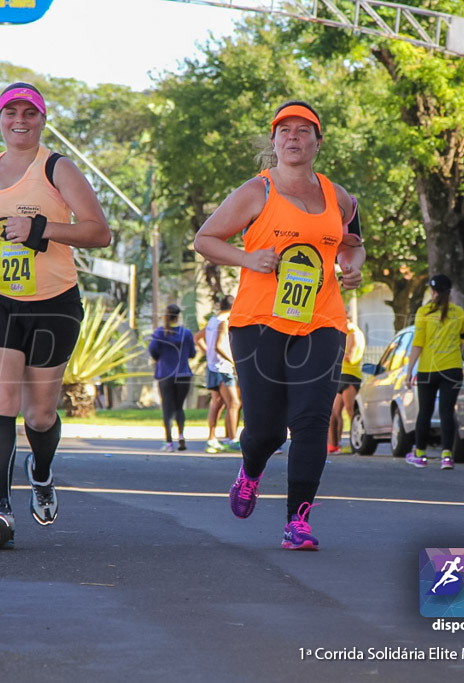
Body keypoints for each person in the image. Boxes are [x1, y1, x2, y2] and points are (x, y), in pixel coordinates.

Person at [0, 82, 111, 549]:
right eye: (10, 112)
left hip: (53, 300)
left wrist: (41, 229)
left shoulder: (57, 168)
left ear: (41, 119)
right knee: (1, 402)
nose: (19, 120)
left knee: (39, 414)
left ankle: (42, 472)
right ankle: (0, 509)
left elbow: (98, 232)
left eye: (29, 113)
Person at [193, 100, 365, 551]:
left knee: (310, 420)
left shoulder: (337, 195)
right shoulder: (257, 191)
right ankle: (251, 471)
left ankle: (298, 522)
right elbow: (205, 239)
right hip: (258, 323)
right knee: (266, 430)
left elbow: (352, 243)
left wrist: (352, 265)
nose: (293, 137)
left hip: (322, 320)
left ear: (318, 141)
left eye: (303, 130)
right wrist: (247, 258)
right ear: (274, 141)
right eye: (284, 130)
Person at [404, 274, 464, 470]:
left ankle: (421, 455)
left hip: (428, 369)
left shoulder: (423, 312)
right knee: (447, 412)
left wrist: (409, 370)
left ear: (433, 291)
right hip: (452, 368)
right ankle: (447, 456)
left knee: (425, 411)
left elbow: (418, 343)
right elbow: (463, 341)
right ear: (449, 292)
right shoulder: (459, 313)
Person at [193, 294, 241, 453]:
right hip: (223, 368)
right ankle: (232, 439)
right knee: (234, 403)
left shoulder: (213, 321)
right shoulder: (223, 322)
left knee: (218, 403)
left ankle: (212, 439)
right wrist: (233, 362)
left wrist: (208, 355)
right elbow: (219, 346)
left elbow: (197, 338)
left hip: (213, 367)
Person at [148, 304, 196, 452]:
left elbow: (153, 351)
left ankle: (169, 443)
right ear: (178, 316)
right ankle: (181, 435)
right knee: (179, 407)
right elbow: (192, 353)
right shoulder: (186, 333)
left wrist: (161, 358)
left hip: (165, 374)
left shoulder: (159, 333)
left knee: (167, 409)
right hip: (183, 374)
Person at [327, 314, 366, 453]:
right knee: (334, 412)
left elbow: (349, 356)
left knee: (350, 410)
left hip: (350, 375)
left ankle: (358, 442)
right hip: (342, 374)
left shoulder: (353, 332)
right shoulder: (348, 332)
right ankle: (334, 445)